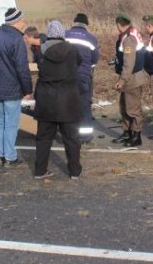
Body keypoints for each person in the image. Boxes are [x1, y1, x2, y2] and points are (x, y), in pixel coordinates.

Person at [33, 20, 83, 180]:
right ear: (62, 33)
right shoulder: (73, 50)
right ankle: (75, 171)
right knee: (71, 138)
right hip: (68, 100)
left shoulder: (40, 50)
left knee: (43, 138)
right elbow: (80, 62)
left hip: (46, 100)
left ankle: (40, 171)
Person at [0, 7, 33, 166]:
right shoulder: (16, 40)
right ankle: (10, 157)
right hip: (11, 89)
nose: (24, 24)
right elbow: (22, 68)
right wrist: (27, 90)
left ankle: (0, 155)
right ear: (16, 22)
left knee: (0, 122)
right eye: (22, 21)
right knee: (12, 124)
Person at [112, 13, 147, 147]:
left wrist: (122, 80)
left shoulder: (129, 39)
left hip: (132, 78)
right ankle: (127, 133)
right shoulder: (130, 34)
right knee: (124, 106)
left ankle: (136, 136)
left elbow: (129, 63)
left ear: (119, 25)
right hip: (130, 76)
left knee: (133, 108)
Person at [64, 13, 100, 144]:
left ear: (74, 22)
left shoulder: (65, 35)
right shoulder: (91, 38)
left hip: (66, 76)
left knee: (67, 106)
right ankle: (85, 137)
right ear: (86, 24)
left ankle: (70, 135)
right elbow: (95, 58)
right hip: (84, 76)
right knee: (84, 106)